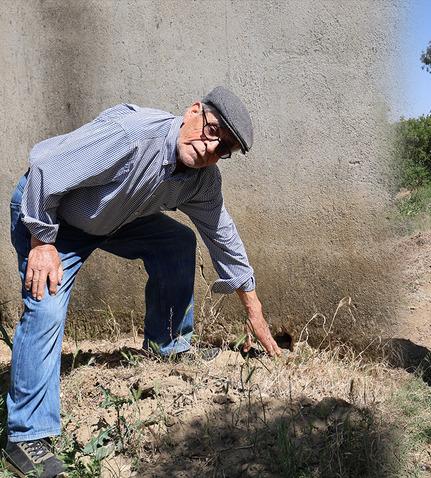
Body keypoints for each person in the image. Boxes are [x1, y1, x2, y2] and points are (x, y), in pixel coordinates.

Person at [4, 86, 282, 477]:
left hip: (110, 219)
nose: (210, 147)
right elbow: (46, 168)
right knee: (46, 304)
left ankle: (166, 344)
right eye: (212, 130)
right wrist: (41, 240)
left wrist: (253, 311)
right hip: (51, 214)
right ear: (194, 111)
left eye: (223, 149)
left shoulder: (202, 180)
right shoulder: (133, 136)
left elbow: (224, 238)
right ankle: (26, 436)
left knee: (176, 241)